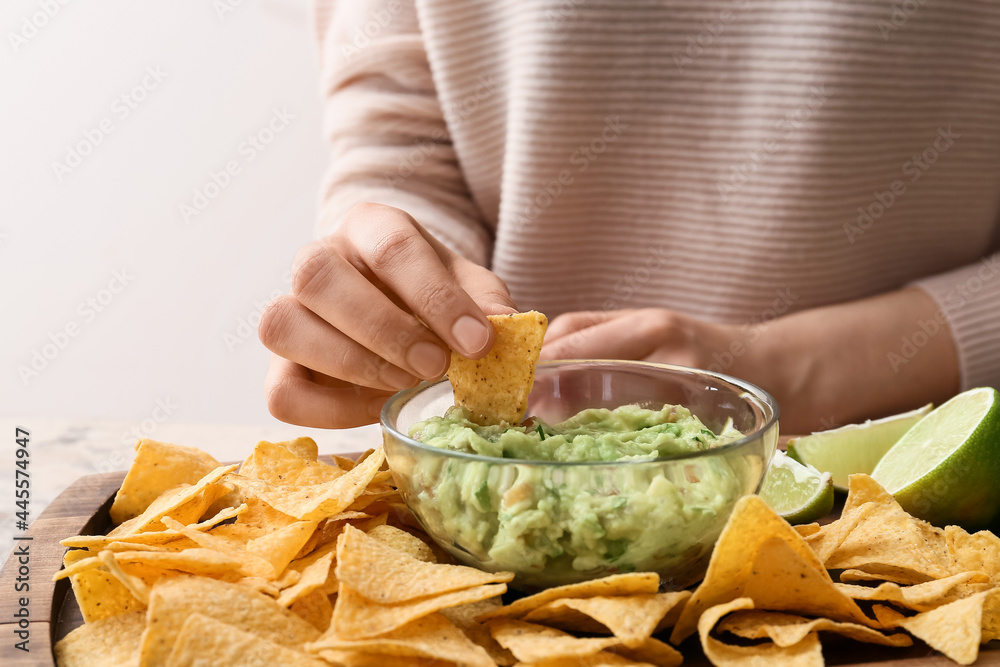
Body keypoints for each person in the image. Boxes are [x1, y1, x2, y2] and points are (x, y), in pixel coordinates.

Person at [259, 0, 1000, 435]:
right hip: (488, 473)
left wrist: (785, 370)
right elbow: (405, 144)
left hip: (916, 476)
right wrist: (399, 284)